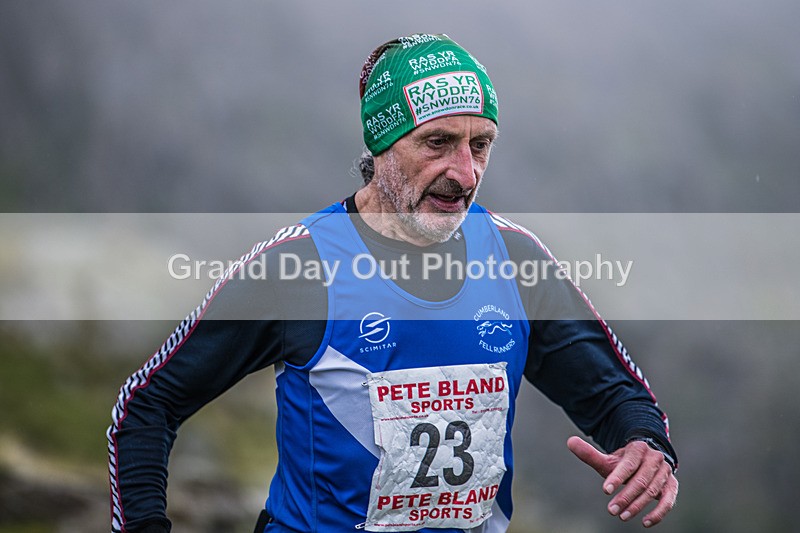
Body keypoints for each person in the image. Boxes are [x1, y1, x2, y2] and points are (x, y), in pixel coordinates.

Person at [107, 33, 678, 533]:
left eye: (480, 146)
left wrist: (647, 448)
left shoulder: (514, 259)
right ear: (380, 146)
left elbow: (617, 396)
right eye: (438, 143)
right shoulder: (297, 268)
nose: (465, 173)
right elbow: (146, 407)